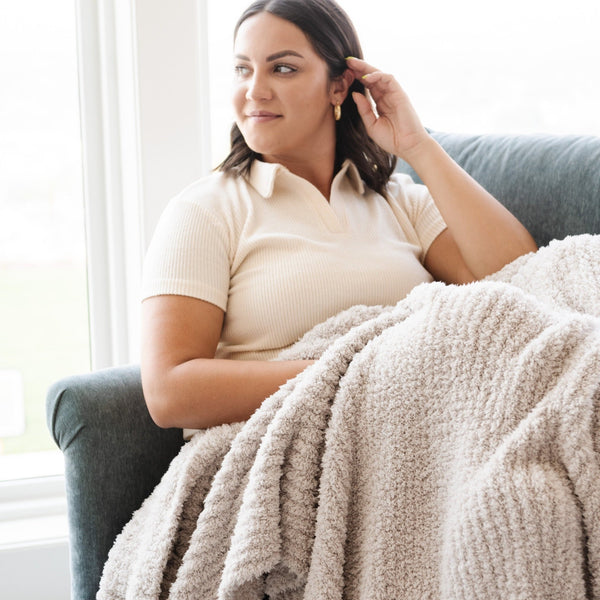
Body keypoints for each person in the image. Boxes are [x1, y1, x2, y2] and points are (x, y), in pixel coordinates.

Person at [140, 0, 537, 434]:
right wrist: (360, 375)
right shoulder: (205, 211)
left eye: (282, 69)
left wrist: (418, 146)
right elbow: (168, 393)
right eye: (242, 69)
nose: (254, 90)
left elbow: (524, 283)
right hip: (281, 445)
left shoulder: (399, 201)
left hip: (415, 432)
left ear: (338, 87)